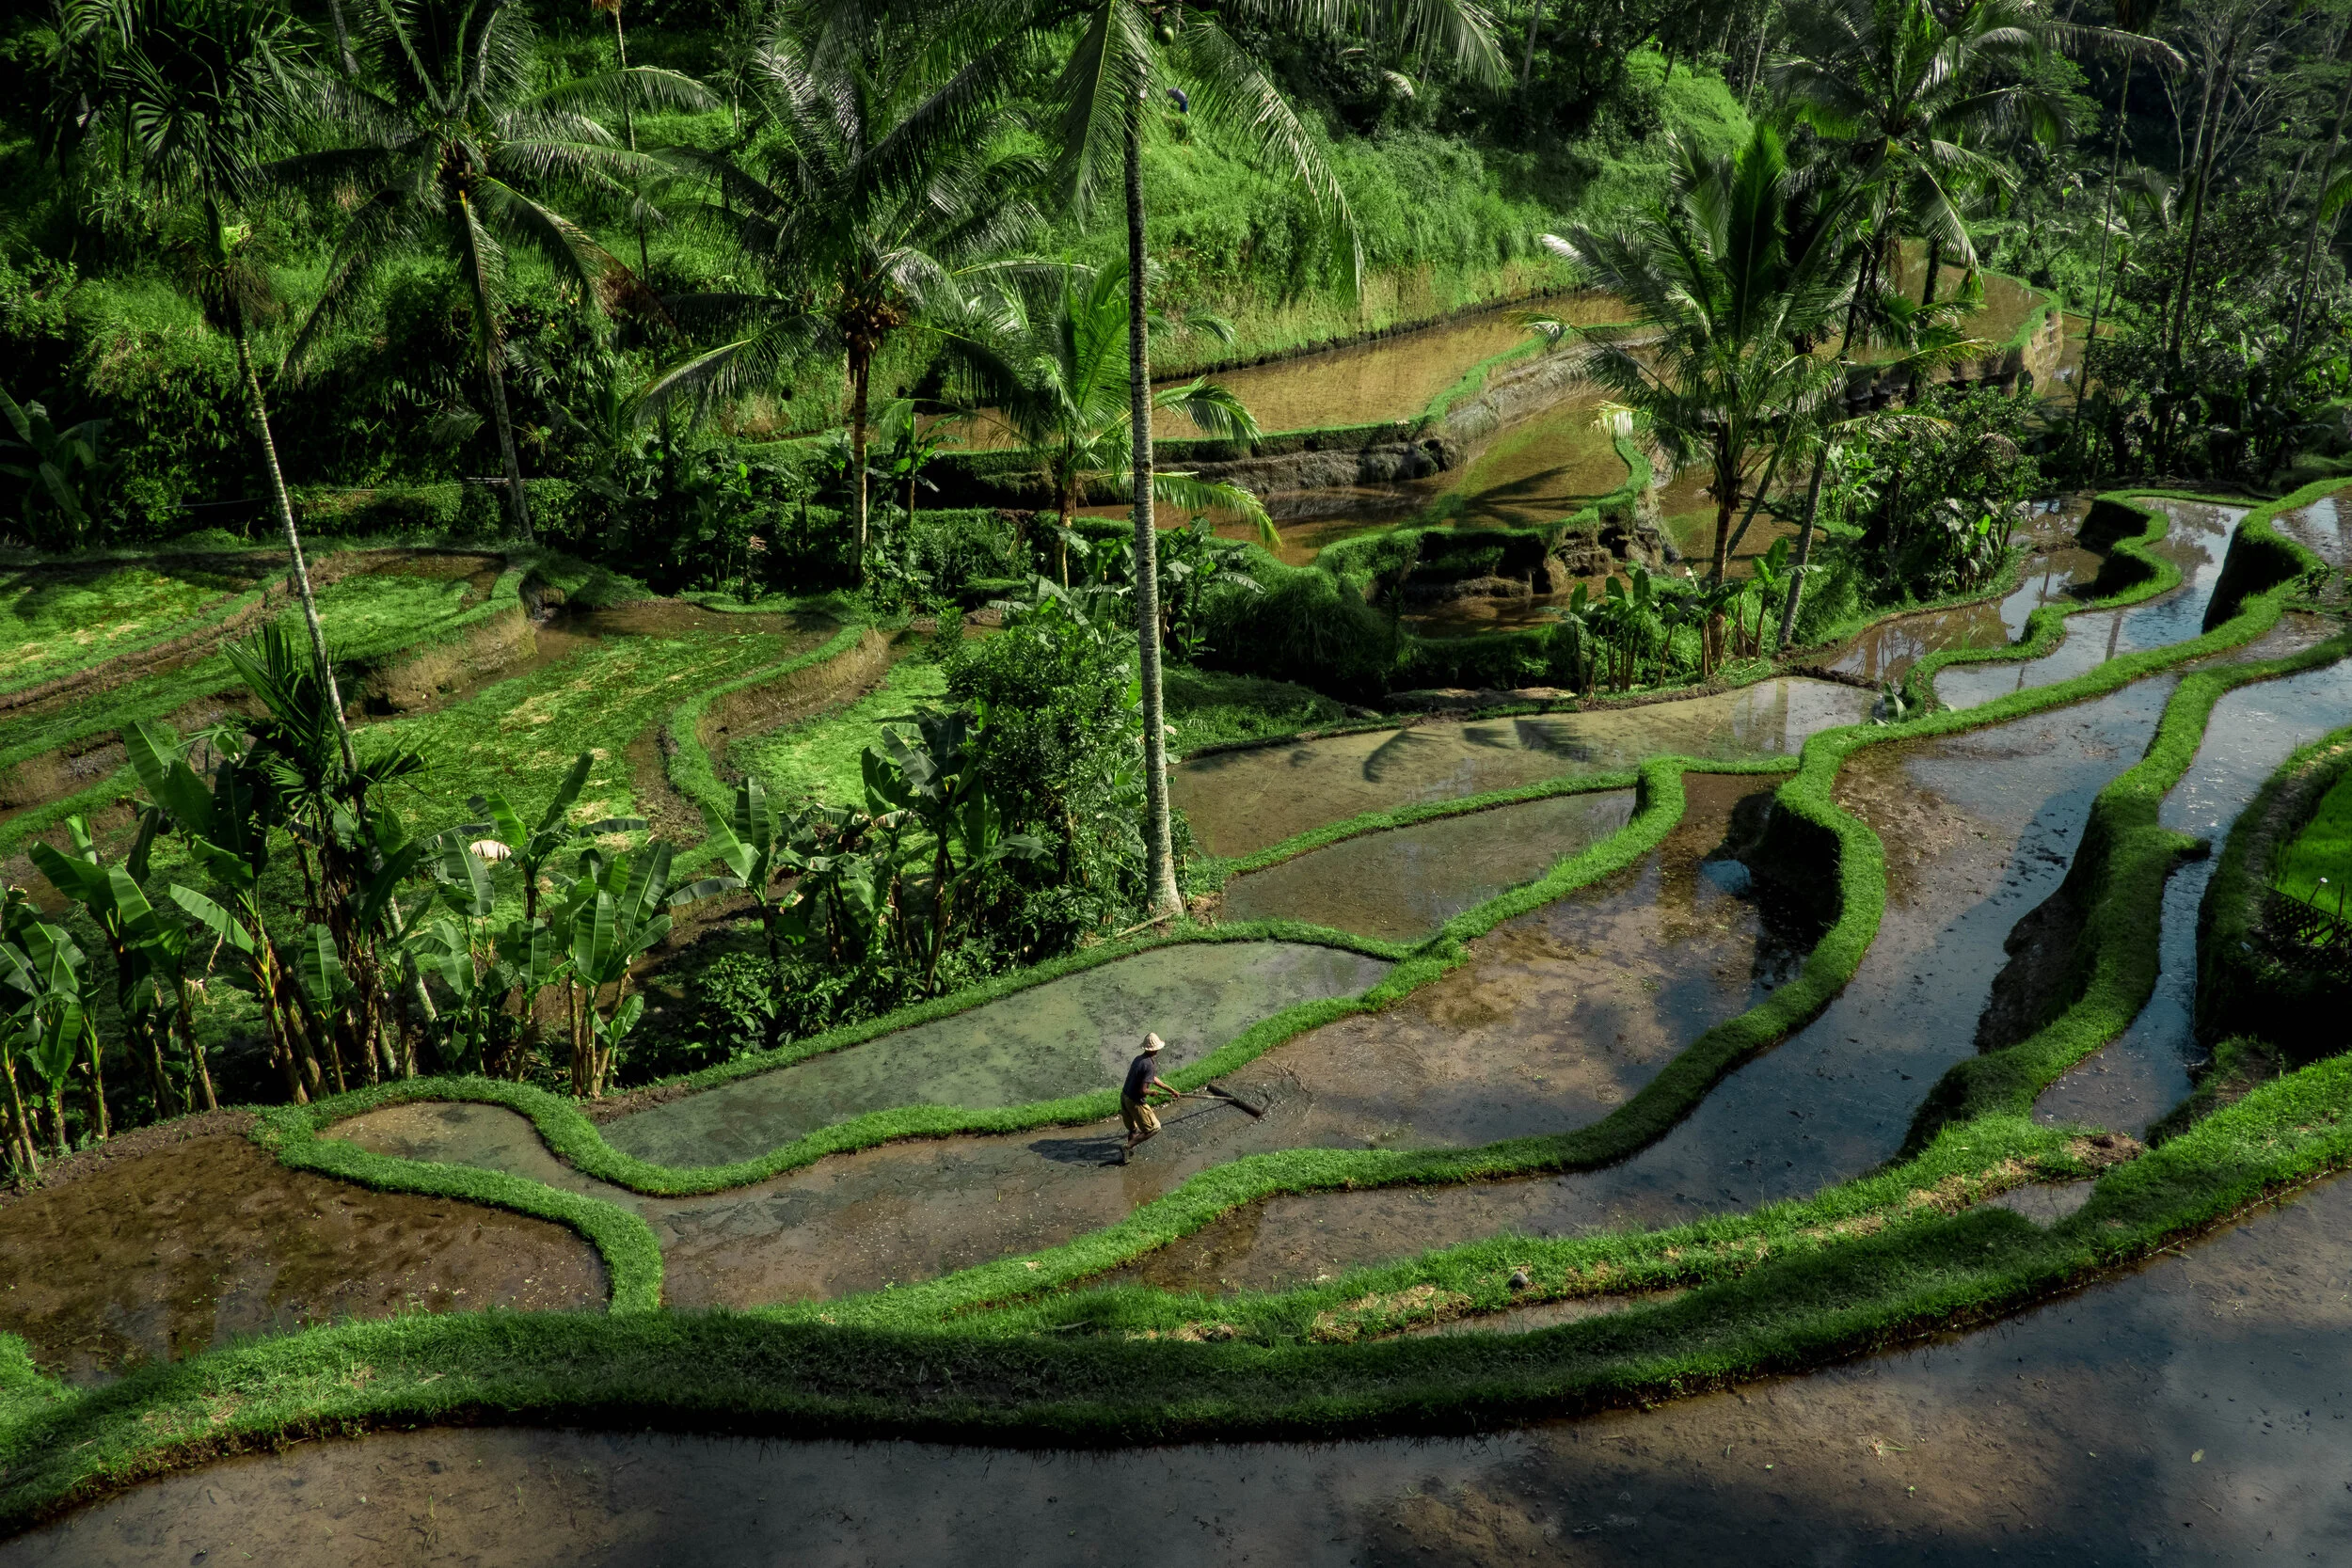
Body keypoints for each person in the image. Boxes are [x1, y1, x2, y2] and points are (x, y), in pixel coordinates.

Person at [1119, 1032, 1178, 1164]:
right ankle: (1127, 1147)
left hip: (1124, 1097)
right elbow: (1143, 1090)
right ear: (1155, 1049)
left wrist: (1171, 1090)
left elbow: (1152, 1079)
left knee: (1133, 1128)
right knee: (1154, 1128)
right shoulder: (1149, 1065)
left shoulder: (1139, 1059)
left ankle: (1127, 1154)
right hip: (1135, 1101)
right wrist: (1151, 1093)